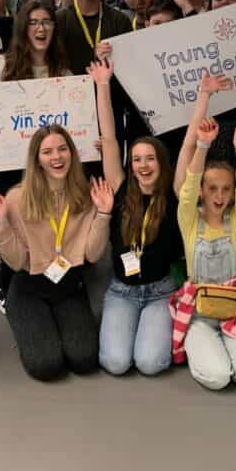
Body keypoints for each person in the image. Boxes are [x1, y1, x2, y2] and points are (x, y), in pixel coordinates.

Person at [0, 0, 72, 314]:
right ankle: (3, 287)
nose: (41, 28)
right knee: (13, 224)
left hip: (46, 167)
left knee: (42, 225)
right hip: (5, 166)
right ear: (23, 28)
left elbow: (74, 121)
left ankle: (39, 284)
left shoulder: (62, 71)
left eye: (47, 21)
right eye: (33, 22)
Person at [0, 126, 114, 381]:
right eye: (48, 152)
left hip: (69, 286)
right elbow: (17, 261)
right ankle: (22, 317)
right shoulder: (17, 199)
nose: (57, 157)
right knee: (46, 366)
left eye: (63, 149)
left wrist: (103, 215)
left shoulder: (86, 195)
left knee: (85, 360)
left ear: (72, 154)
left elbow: (93, 254)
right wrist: (1, 225)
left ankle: (52, 324)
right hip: (29, 288)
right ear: (37, 160)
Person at [169, 82, 236, 391]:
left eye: (225, 189)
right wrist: (202, 145)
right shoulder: (189, 218)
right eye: (212, 188)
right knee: (218, 377)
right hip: (198, 313)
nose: (219, 195)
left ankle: (228, 348)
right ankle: (206, 348)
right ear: (201, 190)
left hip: (233, 307)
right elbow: (187, 187)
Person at [88, 59, 185, 376]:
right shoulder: (119, 187)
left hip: (161, 290)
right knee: (115, 363)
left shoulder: (173, 193)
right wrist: (103, 84)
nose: (143, 166)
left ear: (161, 162)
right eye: (138, 159)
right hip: (122, 291)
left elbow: (188, 151)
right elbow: (111, 138)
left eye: (150, 159)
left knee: (149, 363)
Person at [55, 0, 133, 77]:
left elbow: (129, 66)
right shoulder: (59, 20)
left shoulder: (120, 21)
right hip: (71, 93)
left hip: (110, 94)